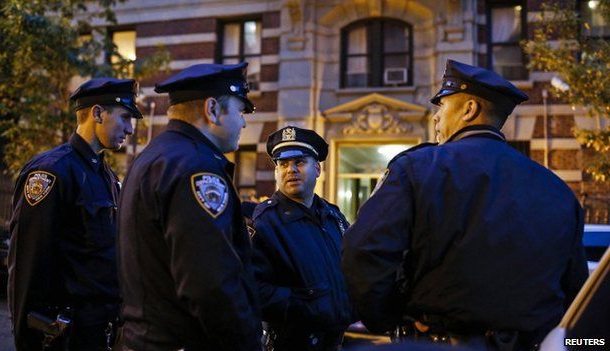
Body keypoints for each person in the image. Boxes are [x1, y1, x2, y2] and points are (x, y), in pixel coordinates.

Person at [341, 59, 589, 350]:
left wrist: (390, 317)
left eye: (442, 107)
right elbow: (576, 292)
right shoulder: (558, 191)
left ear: (470, 110)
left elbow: (363, 251)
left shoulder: (418, 169)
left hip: (440, 342)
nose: (436, 118)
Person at [117, 62, 262, 351]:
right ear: (212, 110)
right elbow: (210, 283)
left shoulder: (154, 157)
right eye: (240, 110)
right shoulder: (196, 168)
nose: (244, 123)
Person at [8, 77, 141, 350]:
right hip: (64, 334)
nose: (130, 129)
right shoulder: (53, 171)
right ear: (97, 113)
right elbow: (28, 263)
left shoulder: (106, 176)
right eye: (125, 117)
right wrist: (30, 339)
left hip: (99, 330)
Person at [251, 126, 354, 351]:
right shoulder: (265, 222)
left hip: (336, 341)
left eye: (299, 162)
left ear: (317, 168)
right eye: (283, 164)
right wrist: (307, 306)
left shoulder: (332, 215)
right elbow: (254, 288)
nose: (291, 170)